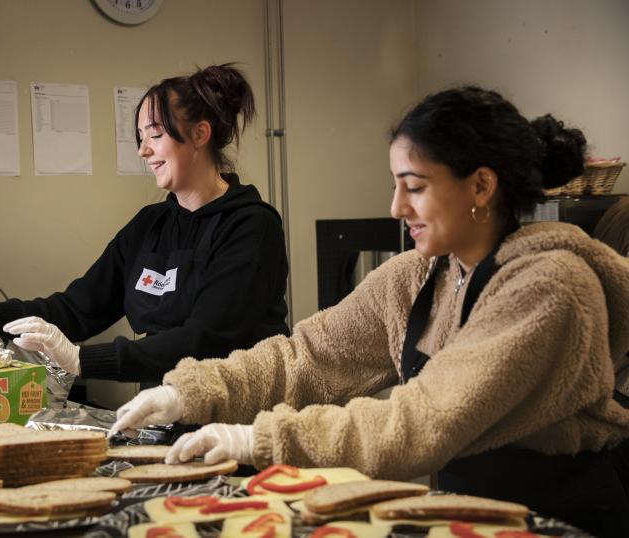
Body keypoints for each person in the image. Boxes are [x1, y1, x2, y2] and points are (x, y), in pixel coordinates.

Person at [110, 86, 629, 537]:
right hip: (468, 513)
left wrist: (258, 438)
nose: (396, 208)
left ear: (481, 186)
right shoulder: (418, 276)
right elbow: (306, 357)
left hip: (556, 519)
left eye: (416, 187)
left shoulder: (550, 286)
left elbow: (423, 419)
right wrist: (191, 391)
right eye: (395, 184)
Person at [0, 64, 289, 386]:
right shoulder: (151, 225)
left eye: (155, 134)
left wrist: (81, 359)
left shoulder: (251, 227)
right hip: (165, 408)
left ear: (200, 134)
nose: (143, 151)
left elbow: (205, 339)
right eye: (140, 137)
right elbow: (78, 307)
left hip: (240, 419)